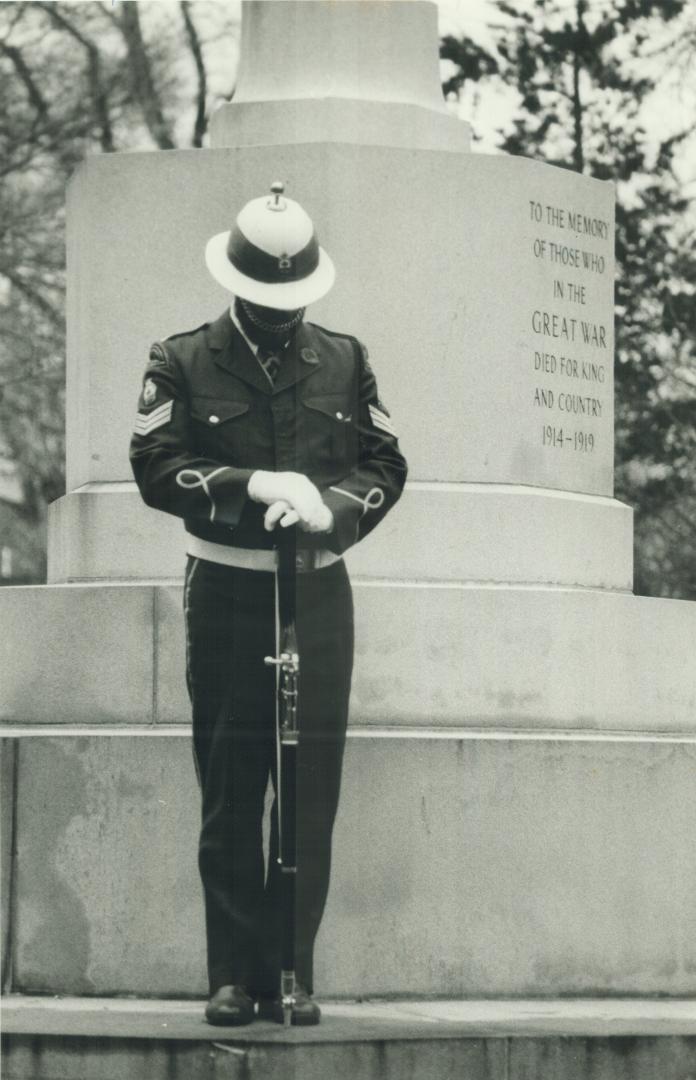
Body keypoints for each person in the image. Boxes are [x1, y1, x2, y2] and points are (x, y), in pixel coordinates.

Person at [129, 182, 407, 1026]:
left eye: (293, 299)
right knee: (231, 783)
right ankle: (231, 974)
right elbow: (155, 465)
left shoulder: (346, 358)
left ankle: (291, 969)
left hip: (317, 588)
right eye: (265, 298)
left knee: (310, 786)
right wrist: (252, 484)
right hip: (228, 590)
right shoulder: (181, 358)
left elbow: (386, 462)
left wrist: (334, 506)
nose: (280, 313)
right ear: (236, 283)